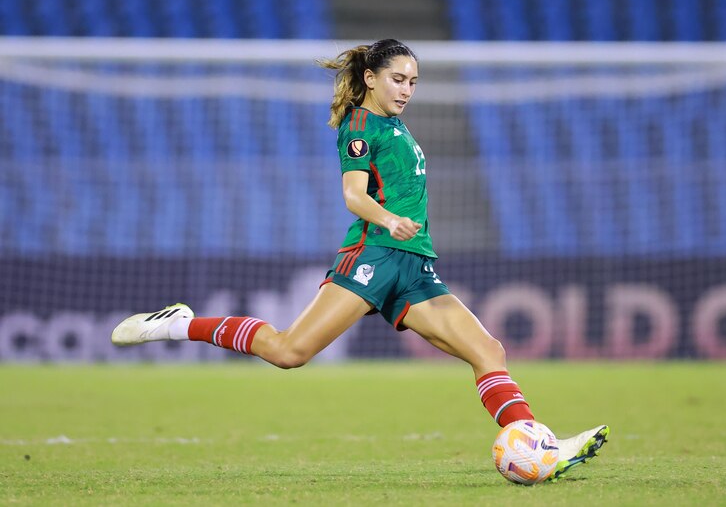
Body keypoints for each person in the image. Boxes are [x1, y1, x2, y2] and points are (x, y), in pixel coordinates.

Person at [111, 39, 609, 481]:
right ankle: (181, 324)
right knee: (289, 352)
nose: (407, 88)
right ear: (370, 78)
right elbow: (354, 195)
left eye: (413, 81)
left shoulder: (395, 125)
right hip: (374, 254)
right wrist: (388, 220)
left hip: (413, 266)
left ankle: (540, 446)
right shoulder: (358, 127)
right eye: (397, 78)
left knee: (489, 352)